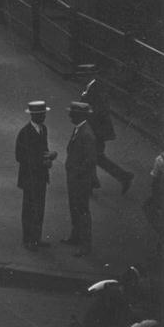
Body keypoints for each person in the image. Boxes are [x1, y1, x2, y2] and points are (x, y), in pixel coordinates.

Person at [78, 72, 133, 194]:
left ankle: (93, 183)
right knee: (95, 156)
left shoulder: (95, 87)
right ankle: (121, 177)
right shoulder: (92, 85)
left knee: (92, 155)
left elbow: (98, 110)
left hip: (96, 130)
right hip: (95, 129)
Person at [15, 100, 56, 249]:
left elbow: (42, 149)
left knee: (39, 208)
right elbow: (20, 156)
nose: (44, 117)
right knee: (29, 209)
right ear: (33, 115)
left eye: (44, 114)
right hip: (30, 177)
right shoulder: (25, 133)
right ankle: (28, 239)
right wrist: (42, 161)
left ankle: (36, 238)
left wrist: (48, 156)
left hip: (40, 177)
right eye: (41, 114)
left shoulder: (43, 129)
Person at [62, 99, 97, 255]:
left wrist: (76, 173)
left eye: (72, 114)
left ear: (78, 115)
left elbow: (90, 160)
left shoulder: (86, 134)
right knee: (75, 208)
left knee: (82, 211)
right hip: (76, 178)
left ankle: (85, 246)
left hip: (80, 180)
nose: (70, 116)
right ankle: (75, 237)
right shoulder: (80, 129)